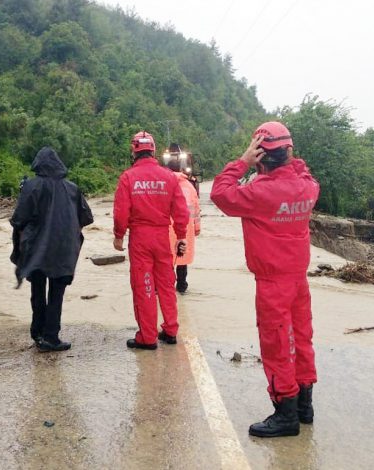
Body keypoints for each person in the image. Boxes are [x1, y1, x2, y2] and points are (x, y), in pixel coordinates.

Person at [211, 122, 319, 438]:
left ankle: (285, 413)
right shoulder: (308, 186)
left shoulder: (259, 192)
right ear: (289, 152)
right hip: (298, 279)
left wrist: (243, 162)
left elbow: (220, 193)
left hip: (273, 281)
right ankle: (304, 407)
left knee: (276, 344)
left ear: (262, 157)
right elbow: (303, 171)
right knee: (301, 340)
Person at [10, 147, 94, 352]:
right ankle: (51, 337)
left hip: (36, 249)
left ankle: (37, 332)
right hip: (63, 249)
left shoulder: (31, 187)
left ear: (37, 164)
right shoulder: (72, 188)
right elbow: (86, 218)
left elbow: (19, 219)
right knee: (56, 293)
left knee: (37, 290)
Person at [113, 131, 189, 350]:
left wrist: (119, 235)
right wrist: (181, 236)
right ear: (153, 150)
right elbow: (181, 211)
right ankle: (171, 330)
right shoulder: (169, 177)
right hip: (162, 237)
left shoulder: (128, 177)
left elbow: (121, 212)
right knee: (166, 284)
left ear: (134, 151)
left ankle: (147, 337)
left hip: (140, 238)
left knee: (144, 285)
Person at [167, 159, 201, 293]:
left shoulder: (164, 184)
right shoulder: (189, 186)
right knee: (182, 257)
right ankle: (181, 286)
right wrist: (197, 228)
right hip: (186, 229)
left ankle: (166, 286)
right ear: (181, 169)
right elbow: (196, 209)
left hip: (166, 228)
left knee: (166, 258)